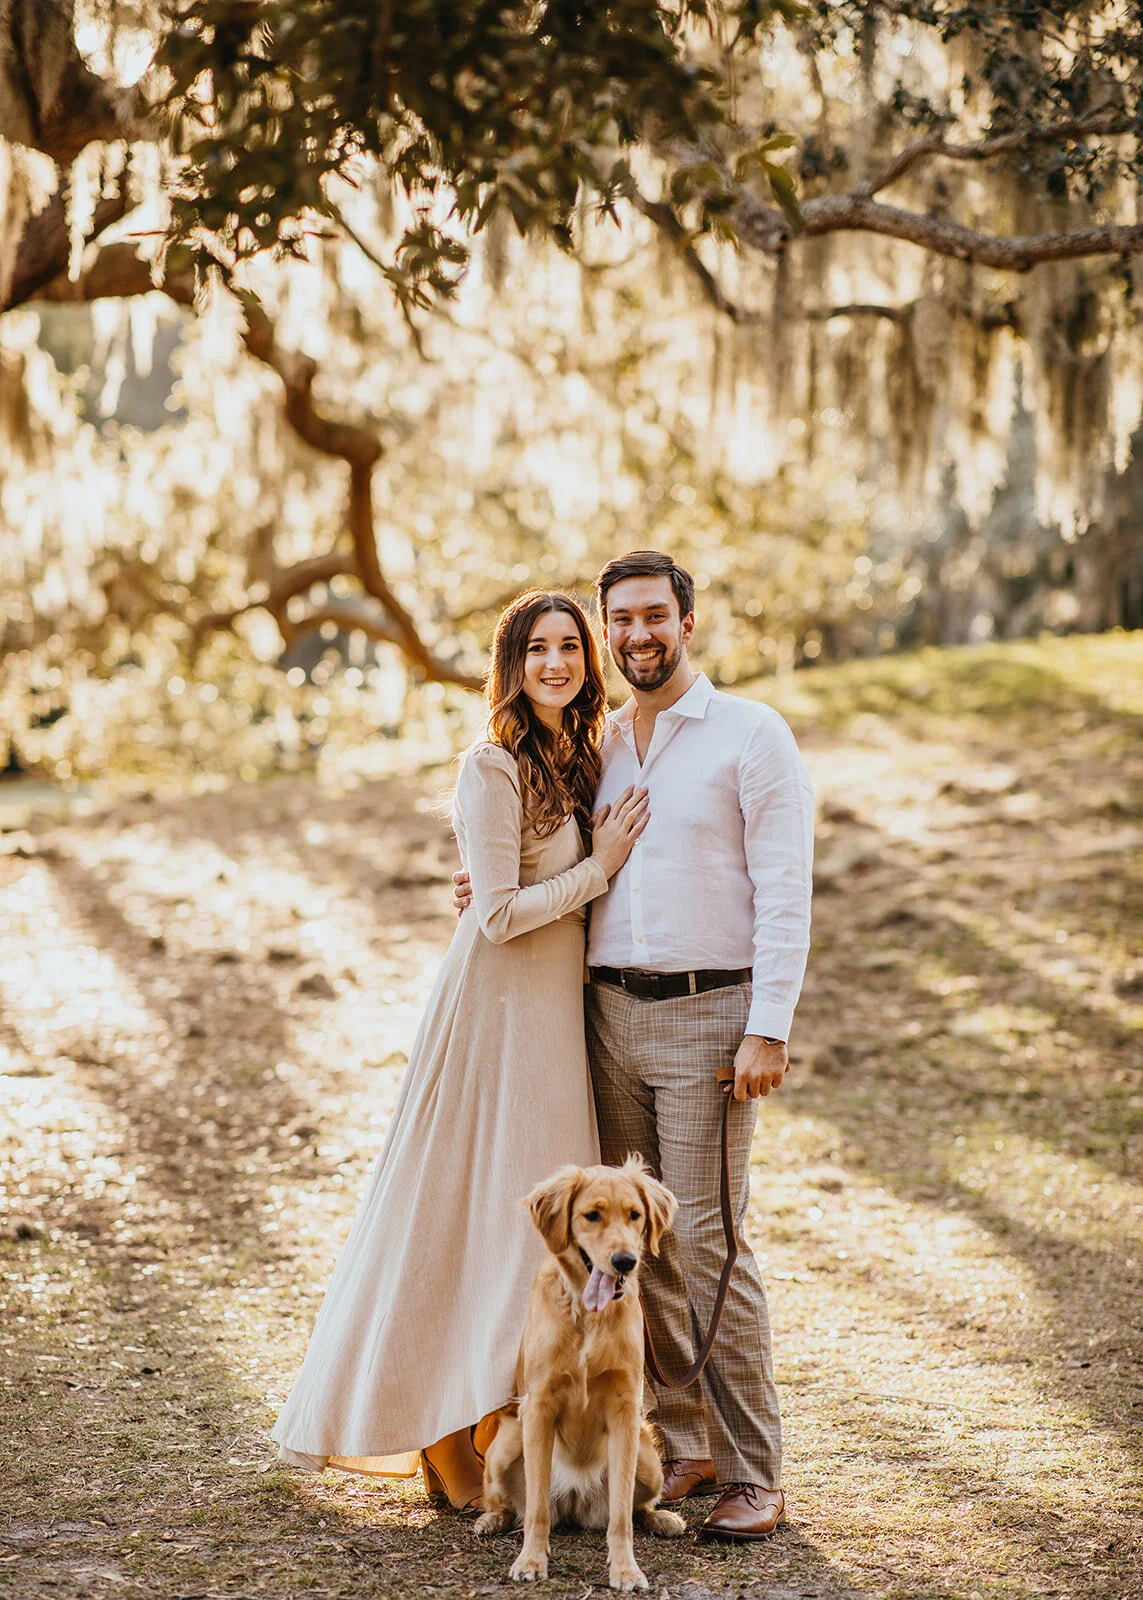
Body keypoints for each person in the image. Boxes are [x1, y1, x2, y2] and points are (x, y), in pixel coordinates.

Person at [454, 550, 814, 1541]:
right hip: (604, 1012)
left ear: (687, 622)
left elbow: (786, 891)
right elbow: (535, 852)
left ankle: (753, 1471)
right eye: (621, 620)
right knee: (634, 1247)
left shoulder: (751, 735)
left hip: (712, 1015)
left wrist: (770, 1024)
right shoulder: (597, 741)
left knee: (708, 1241)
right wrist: (475, 890)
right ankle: (685, 1438)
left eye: (654, 615)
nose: (636, 635)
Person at [271, 590, 650, 1510]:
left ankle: (506, 1430)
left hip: (556, 1019)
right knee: (473, 1217)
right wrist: (594, 869)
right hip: (494, 1016)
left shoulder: (579, 756)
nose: (556, 662)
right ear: (509, 663)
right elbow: (495, 914)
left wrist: (578, 871)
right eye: (537, 649)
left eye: (570, 647)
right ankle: (453, 1437)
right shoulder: (490, 766)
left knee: (527, 1235)